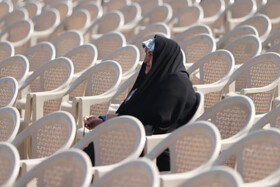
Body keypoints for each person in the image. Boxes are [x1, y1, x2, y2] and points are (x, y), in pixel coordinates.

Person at [83, 35, 199, 171]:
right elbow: (137, 113)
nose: (145, 60)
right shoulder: (156, 81)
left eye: (150, 55)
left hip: (154, 153)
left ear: (163, 58)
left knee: (97, 153)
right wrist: (104, 121)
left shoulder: (177, 86)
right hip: (135, 139)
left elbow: (152, 124)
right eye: (147, 54)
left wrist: (115, 127)